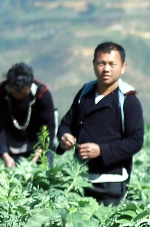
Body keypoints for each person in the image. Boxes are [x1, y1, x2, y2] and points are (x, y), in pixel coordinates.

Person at [56, 42, 144, 204]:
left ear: (123, 67)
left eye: (112, 64)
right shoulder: (85, 93)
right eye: (101, 63)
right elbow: (66, 124)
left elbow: (135, 141)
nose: (106, 69)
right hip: (79, 179)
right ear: (94, 64)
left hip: (111, 182)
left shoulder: (128, 100)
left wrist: (101, 151)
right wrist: (64, 137)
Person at [0, 62, 56, 166]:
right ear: (10, 86)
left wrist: (36, 156)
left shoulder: (42, 93)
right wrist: (5, 155)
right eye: (15, 91)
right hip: (12, 147)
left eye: (23, 92)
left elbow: (49, 126)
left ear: (29, 86)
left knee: (45, 171)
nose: (19, 96)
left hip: (39, 146)